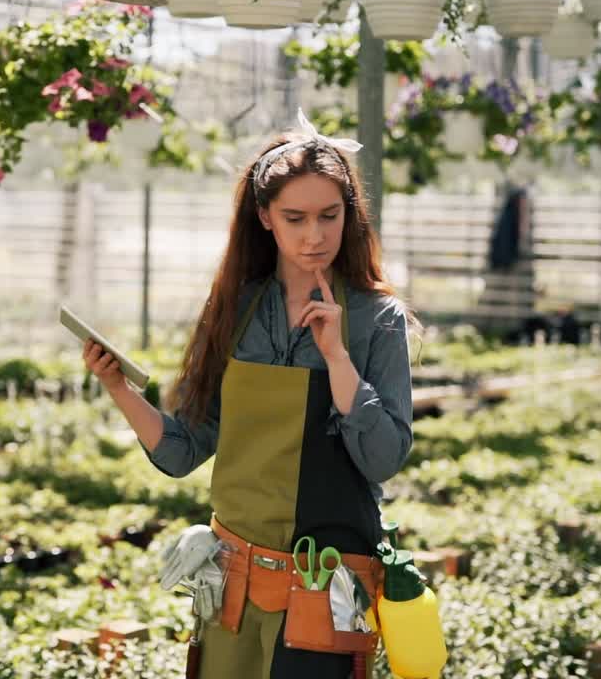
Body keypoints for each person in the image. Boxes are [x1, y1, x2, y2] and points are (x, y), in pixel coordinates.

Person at [82, 109, 416, 678]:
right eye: (295, 218)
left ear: (349, 215)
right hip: (233, 583)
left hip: (323, 583)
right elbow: (185, 450)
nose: (315, 235)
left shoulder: (376, 318)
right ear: (264, 217)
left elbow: (383, 458)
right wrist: (118, 387)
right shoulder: (235, 311)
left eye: (329, 216)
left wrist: (336, 356)